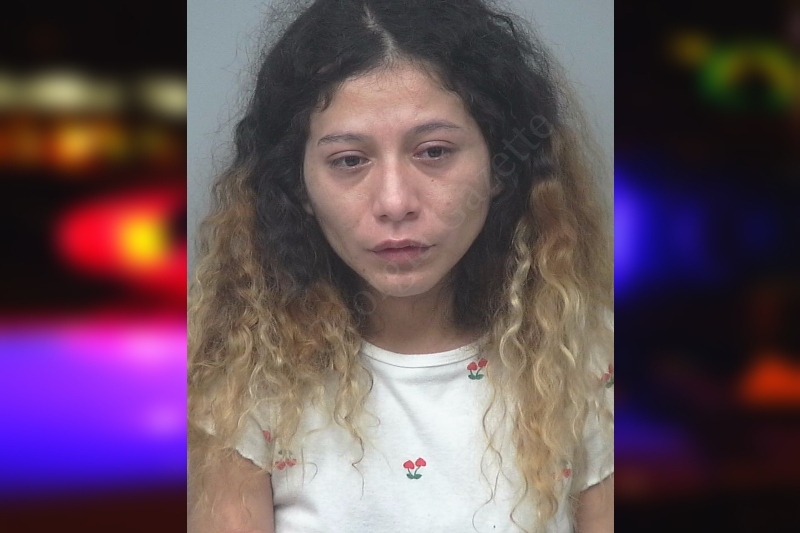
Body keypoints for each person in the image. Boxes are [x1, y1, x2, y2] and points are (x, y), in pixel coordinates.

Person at [188, 0, 614, 532]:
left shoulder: (591, 360)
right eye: (349, 160)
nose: (394, 202)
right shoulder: (241, 376)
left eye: (433, 152)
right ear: (297, 186)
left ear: (502, 167)